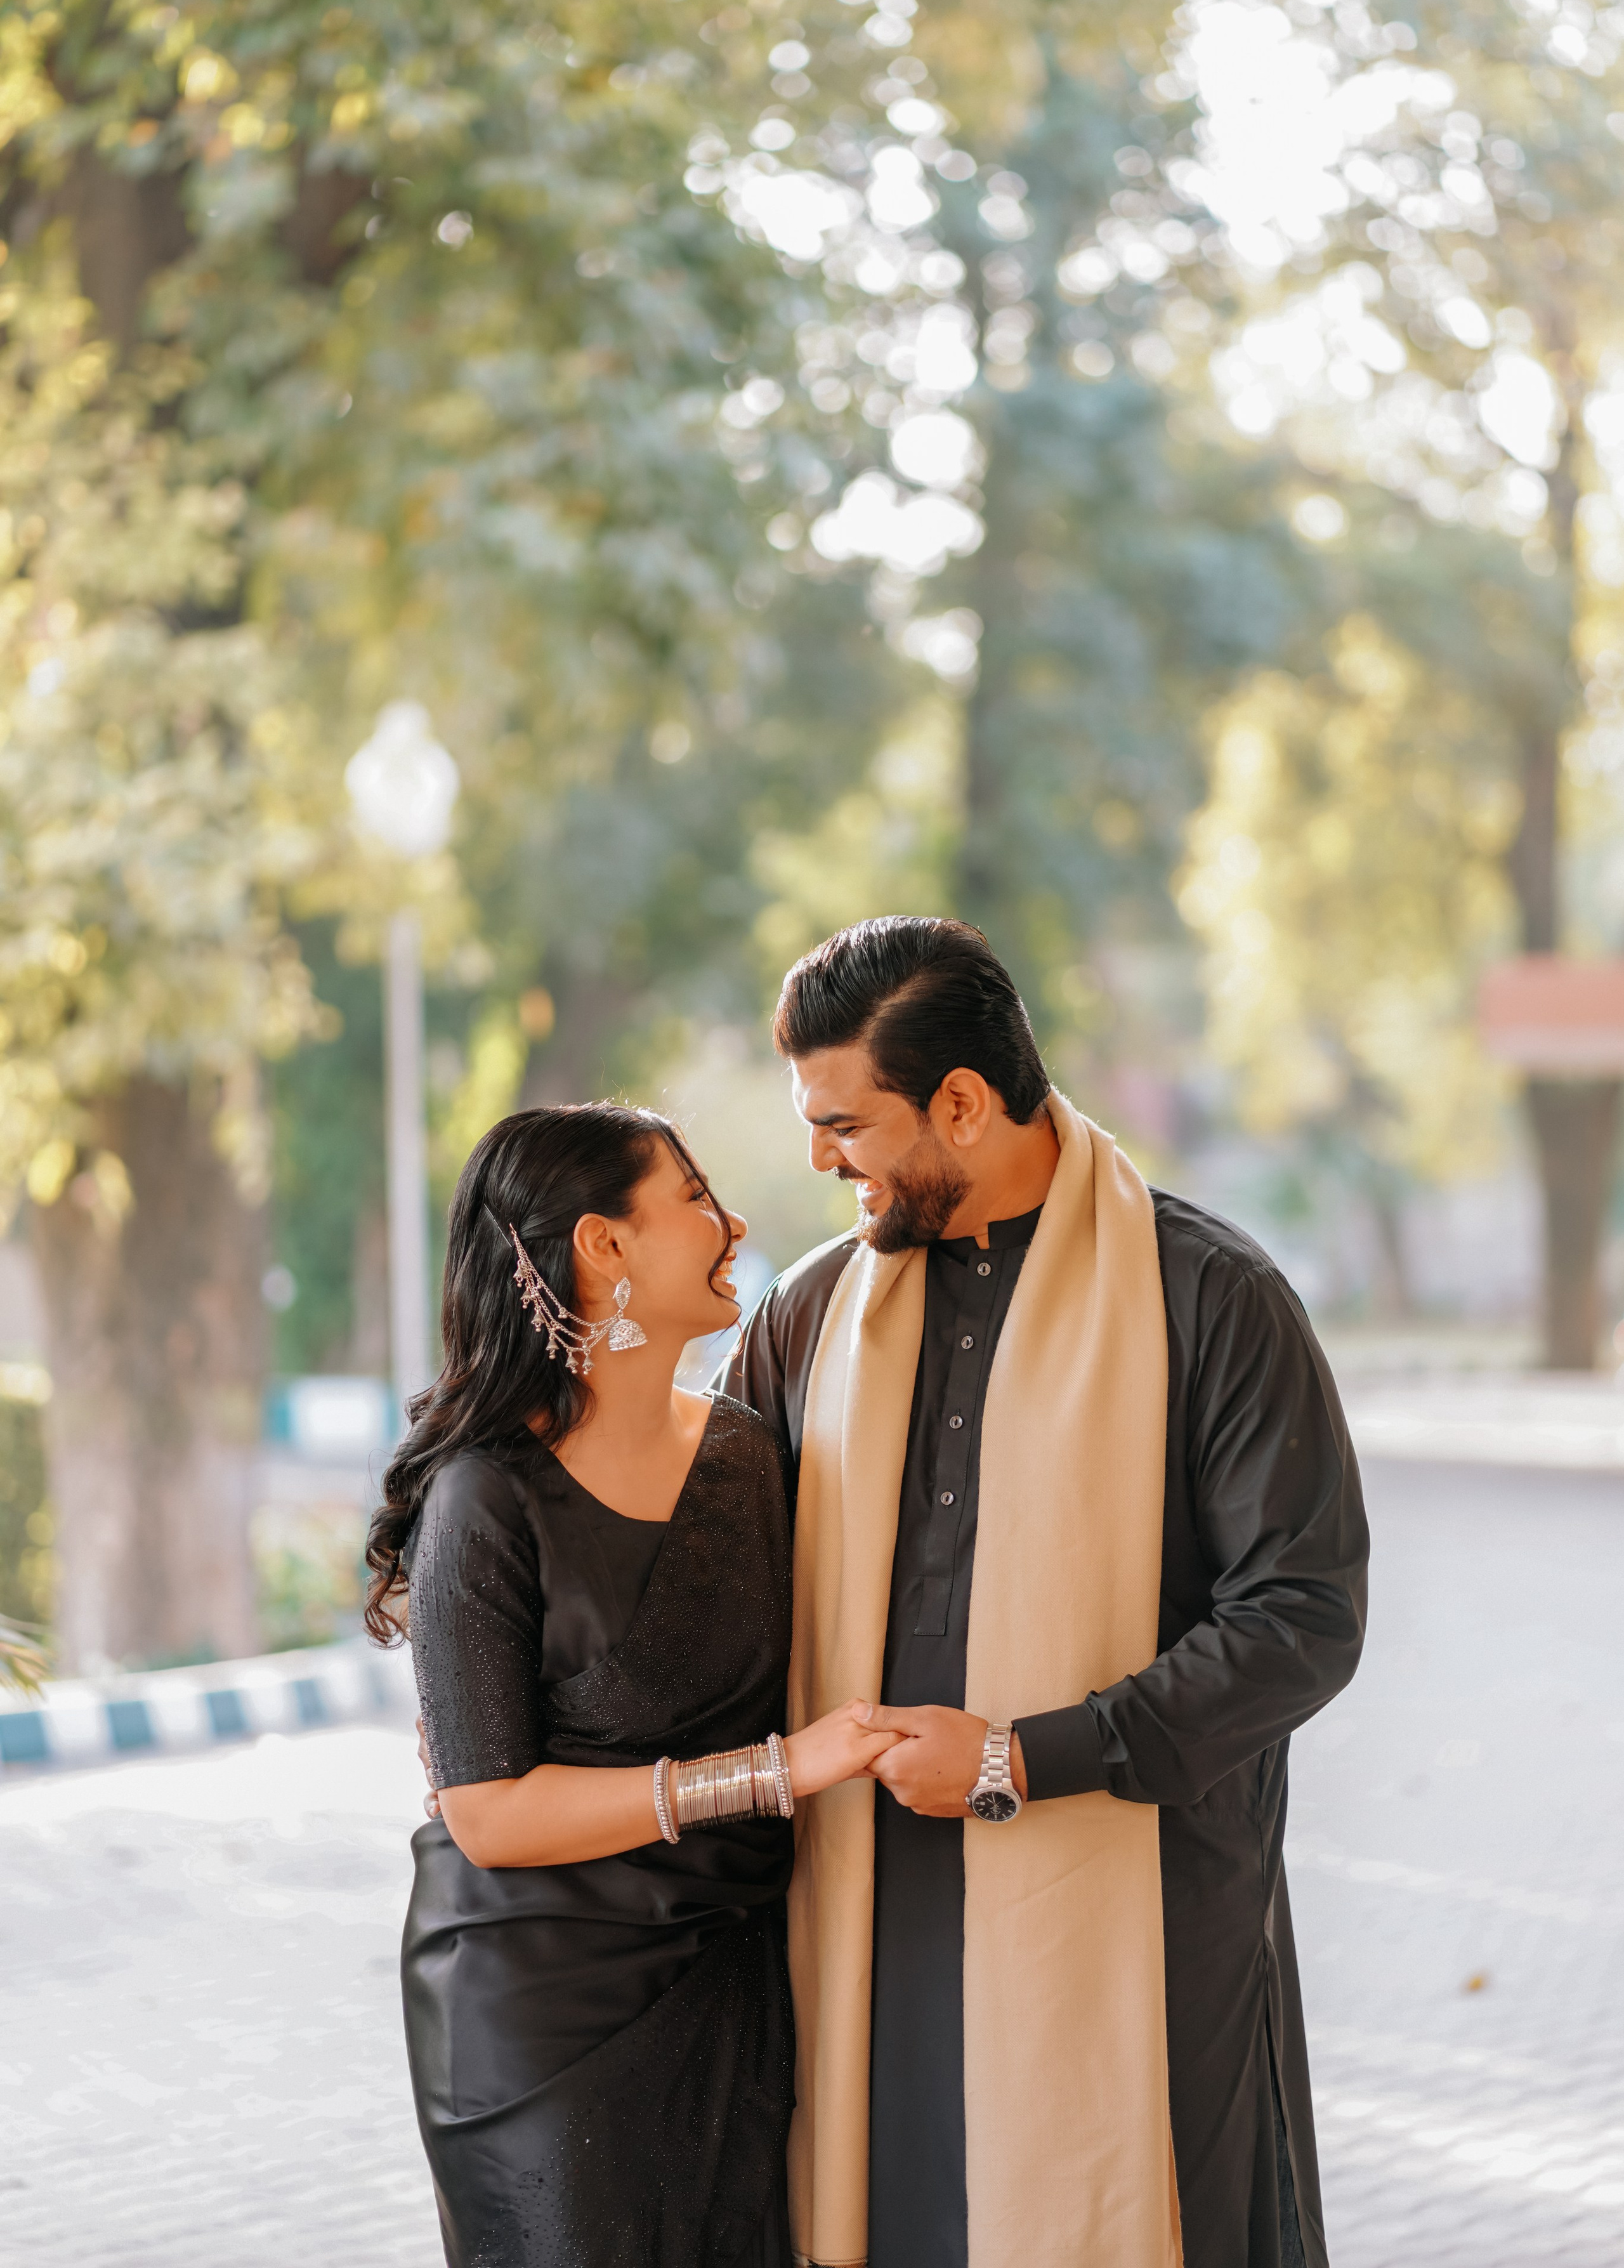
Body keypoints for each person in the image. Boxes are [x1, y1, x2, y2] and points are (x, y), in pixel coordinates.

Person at [722, 916, 1370, 2268]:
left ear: (959, 1104)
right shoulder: (810, 1313)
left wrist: (1023, 1756)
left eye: (844, 1121)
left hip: (1143, 1922)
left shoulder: (1209, 1297)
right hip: (867, 1919)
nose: (815, 1156)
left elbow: (1299, 1617)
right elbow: (713, 1588)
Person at [365, 1103, 900, 2268]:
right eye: (697, 1198)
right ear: (603, 1245)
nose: (735, 1221)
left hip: (734, 1986)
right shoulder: (485, 1496)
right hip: (542, 2024)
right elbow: (488, 1814)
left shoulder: (752, 1455)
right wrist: (774, 1771)